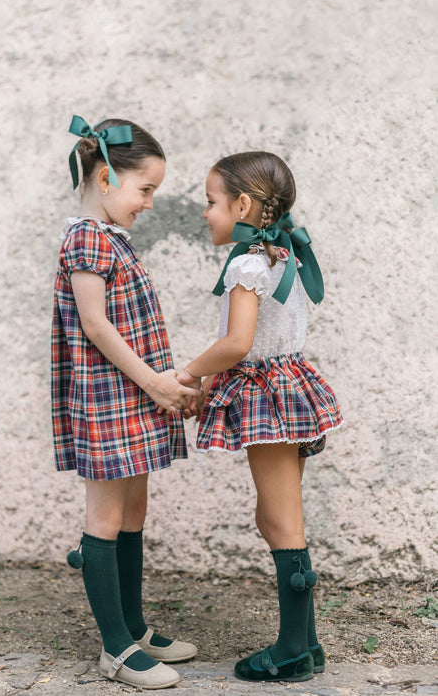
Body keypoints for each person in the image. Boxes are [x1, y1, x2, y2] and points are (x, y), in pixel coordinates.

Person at [178, 151, 343, 683]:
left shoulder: (250, 264)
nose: (205, 212)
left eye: (211, 201)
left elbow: (237, 342)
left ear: (243, 204)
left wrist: (191, 374)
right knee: (280, 516)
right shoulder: (282, 256)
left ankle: (293, 648)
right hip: (290, 389)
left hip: (268, 396)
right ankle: (308, 642)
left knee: (279, 521)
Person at [51, 115, 199, 689]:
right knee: (107, 517)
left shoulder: (111, 237)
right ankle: (115, 648)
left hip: (130, 395)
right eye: (146, 189)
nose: (151, 202)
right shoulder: (87, 236)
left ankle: (133, 626)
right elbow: (95, 324)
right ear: (107, 177)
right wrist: (156, 383)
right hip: (109, 399)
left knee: (133, 510)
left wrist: (160, 382)